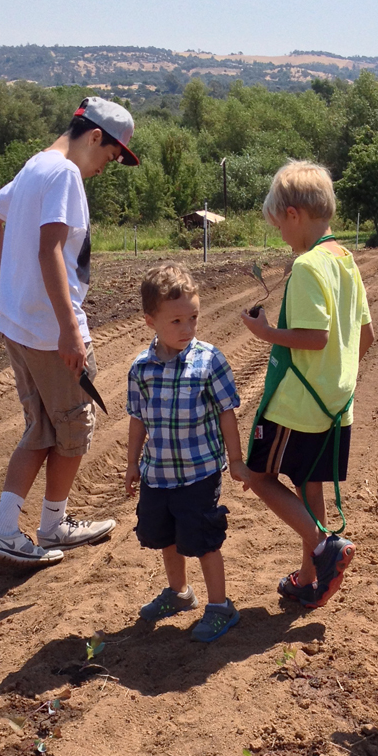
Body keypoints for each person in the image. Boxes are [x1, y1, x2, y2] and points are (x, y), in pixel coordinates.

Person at [0, 97, 139, 567]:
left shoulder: (34, 168)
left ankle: (12, 527)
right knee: (73, 426)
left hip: (20, 323)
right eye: (110, 156)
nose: (105, 168)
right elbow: (50, 250)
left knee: (41, 428)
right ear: (94, 137)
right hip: (48, 331)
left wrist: (15, 280)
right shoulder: (64, 174)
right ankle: (50, 524)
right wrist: (70, 330)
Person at [240, 161, 375, 609]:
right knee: (309, 485)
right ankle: (308, 578)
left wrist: (265, 334)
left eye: (279, 224)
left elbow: (313, 338)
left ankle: (325, 544)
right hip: (337, 404)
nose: (281, 234)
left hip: (297, 406)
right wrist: (337, 379)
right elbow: (367, 336)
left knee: (257, 477)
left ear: (293, 213)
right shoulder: (345, 261)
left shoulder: (308, 265)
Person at [124, 264, 250, 642]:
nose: (188, 329)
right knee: (165, 537)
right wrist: (132, 463)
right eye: (176, 321)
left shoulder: (209, 360)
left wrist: (237, 460)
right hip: (158, 474)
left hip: (199, 472)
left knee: (203, 540)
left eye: (193, 318)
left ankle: (220, 606)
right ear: (151, 321)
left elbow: (227, 414)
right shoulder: (141, 369)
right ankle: (179, 594)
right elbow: (137, 420)